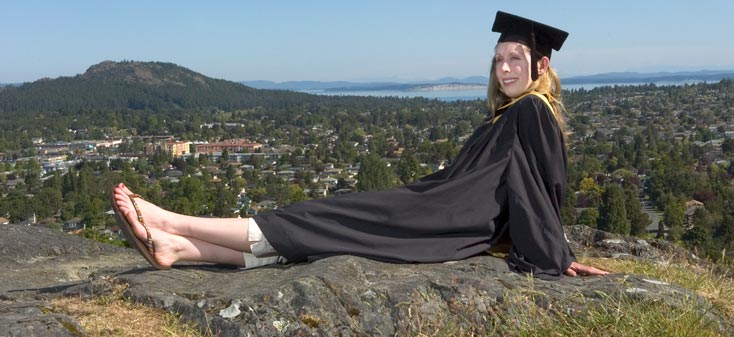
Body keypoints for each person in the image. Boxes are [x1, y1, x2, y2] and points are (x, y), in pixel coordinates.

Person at [111, 11, 608, 280]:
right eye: (499, 60)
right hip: (449, 209)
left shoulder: (531, 111)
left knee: (326, 217)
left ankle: (169, 221)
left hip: (451, 216)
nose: (504, 69)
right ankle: (180, 249)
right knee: (333, 231)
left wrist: (553, 251)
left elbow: (538, 187)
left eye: (516, 60)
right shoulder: (512, 111)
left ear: (541, 67)